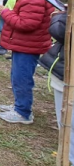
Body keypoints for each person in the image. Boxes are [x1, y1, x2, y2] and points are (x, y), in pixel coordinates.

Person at [0, 0, 62, 124]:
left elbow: (26, 24)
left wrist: (5, 12)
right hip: (26, 44)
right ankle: (19, 105)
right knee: (18, 76)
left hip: (29, 44)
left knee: (22, 77)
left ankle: (23, 112)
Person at [38, 11, 73, 162]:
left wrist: (61, 16)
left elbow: (60, 29)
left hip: (68, 74)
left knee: (68, 125)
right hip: (65, 68)